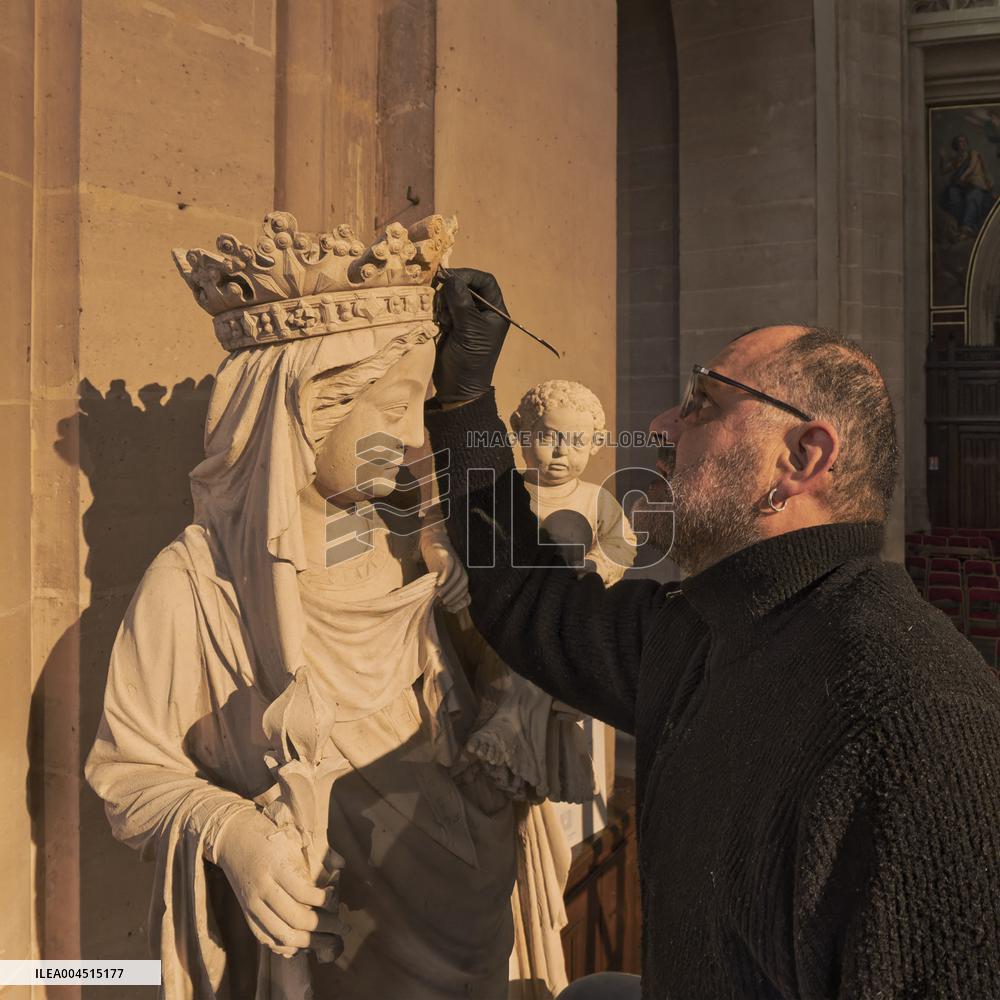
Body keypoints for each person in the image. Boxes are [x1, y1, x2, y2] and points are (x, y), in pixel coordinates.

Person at [422, 269, 1000, 999]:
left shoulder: (920, 724)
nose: (660, 426)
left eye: (702, 403)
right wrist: (466, 399)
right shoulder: (709, 627)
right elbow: (532, 603)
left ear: (801, 459)